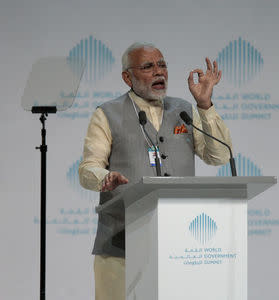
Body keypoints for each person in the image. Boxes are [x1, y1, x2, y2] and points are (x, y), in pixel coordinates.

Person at [78, 42, 232, 300]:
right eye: (148, 66)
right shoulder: (107, 114)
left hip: (179, 245)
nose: (159, 72)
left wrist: (205, 106)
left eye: (162, 65)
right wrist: (106, 178)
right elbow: (87, 168)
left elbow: (219, 156)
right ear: (127, 77)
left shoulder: (184, 109)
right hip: (120, 245)